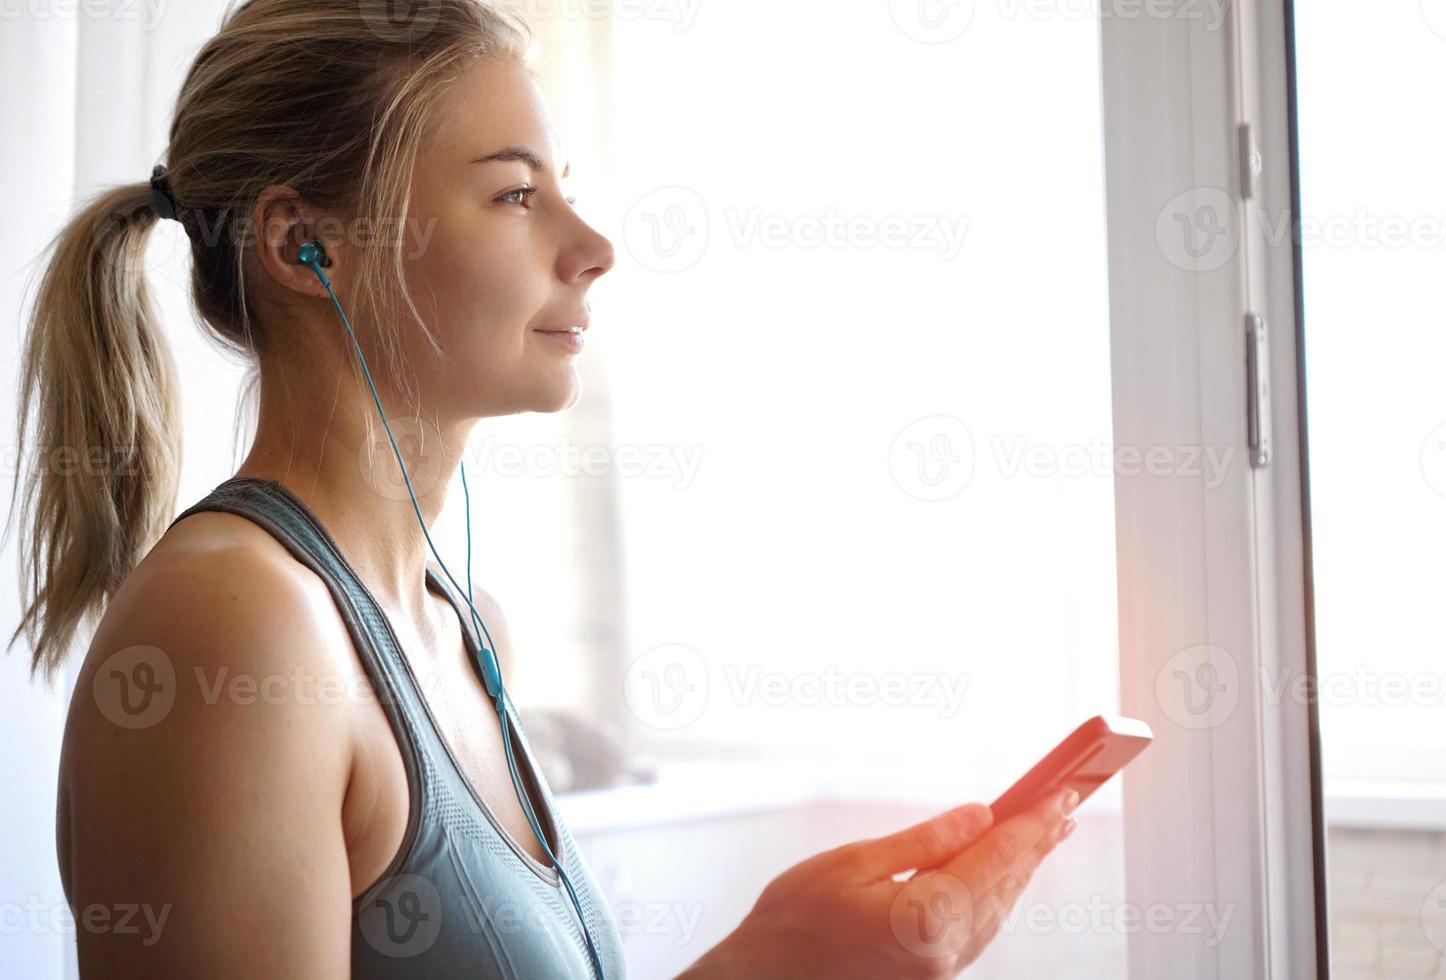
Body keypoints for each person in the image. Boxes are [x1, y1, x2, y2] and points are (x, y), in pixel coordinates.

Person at [7, 1, 1080, 976]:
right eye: (517, 192)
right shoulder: (236, 626)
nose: (595, 247)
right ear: (305, 242)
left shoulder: (470, 633)